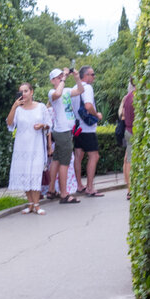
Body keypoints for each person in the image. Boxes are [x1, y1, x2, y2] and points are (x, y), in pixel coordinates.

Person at [6, 81, 51, 215]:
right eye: (21, 92)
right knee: (25, 175)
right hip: (22, 147)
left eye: (26, 91)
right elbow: (9, 124)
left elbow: (49, 124)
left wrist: (42, 125)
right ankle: (30, 204)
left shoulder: (41, 107)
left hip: (36, 146)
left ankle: (37, 204)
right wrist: (13, 107)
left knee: (35, 174)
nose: (24, 94)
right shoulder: (18, 110)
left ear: (31, 92)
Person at [46, 67, 82, 204]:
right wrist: (65, 78)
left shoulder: (67, 91)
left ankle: (51, 190)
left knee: (56, 160)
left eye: (62, 75)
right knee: (65, 163)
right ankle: (64, 194)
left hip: (66, 130)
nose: (62, 78)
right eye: (59, 76)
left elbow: (80, 91)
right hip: (62, 131)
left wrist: (77, 77)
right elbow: (58, 93)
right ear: (52, 80)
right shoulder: (52, 92)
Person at [71, 65, 103, 196]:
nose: (94, 77)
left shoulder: (74, 89)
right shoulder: (87, 88)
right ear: (86, 76)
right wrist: (97, 115)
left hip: (77, 127)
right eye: (92, 74)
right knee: (94, 156)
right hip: (87, 128)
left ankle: (79, 185)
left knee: (78, 156)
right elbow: (88, 105)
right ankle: (90, 188)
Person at [120, 82, 135, 199]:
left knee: (126, 159)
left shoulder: (127, 97)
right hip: (133, 130)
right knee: (129, 160)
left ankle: (128, 187)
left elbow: (122, 114)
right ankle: (130, 190)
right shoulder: (135, 96)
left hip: (127, 130)